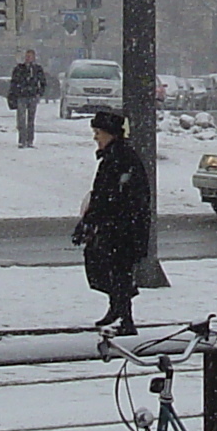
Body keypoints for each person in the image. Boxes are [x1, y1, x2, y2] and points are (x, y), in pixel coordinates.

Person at [73, 110, 150, 330]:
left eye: (98, 132)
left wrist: (92, 221)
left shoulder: (121, 159)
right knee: (111, 268)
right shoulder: (114, 157)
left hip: (123, 228)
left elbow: (112, 197)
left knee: (117, 270)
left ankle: (125, 317)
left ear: (111, 134)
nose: (95, 137)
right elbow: (102, 196)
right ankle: (118, 308)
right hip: (117, 226)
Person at [7, 48, 49, 149]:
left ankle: (30, 140)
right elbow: (14, 82)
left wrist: (39, 92)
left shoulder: (37, 69)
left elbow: (43, 82)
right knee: (21, 119)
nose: (28, 58)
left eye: (30, 56)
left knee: (31, 119)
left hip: (32, 96)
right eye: (27, 56)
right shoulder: (19, 69)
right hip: (21, 96)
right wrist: (14, 93)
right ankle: (22, 140)